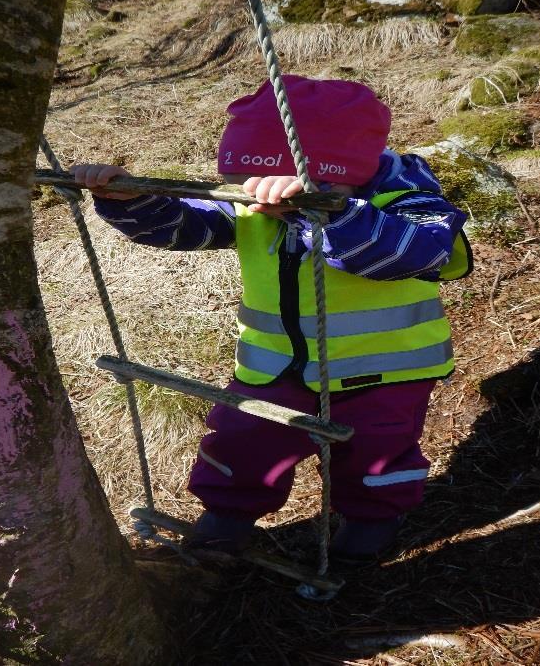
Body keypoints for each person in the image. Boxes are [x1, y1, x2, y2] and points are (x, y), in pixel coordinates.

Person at [71, 75, 473, 563]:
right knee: (243, 439)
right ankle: (227, 518)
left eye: (260, 182)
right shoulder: (252, 200)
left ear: (341, 169)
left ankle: (372, 522)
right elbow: (186, 226)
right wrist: (130, 201)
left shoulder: (406, 199)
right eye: (241, 182)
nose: (251, 197)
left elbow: (414, 252)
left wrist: (321, 210)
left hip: (385, 372)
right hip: (275, 368)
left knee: (378, 453)